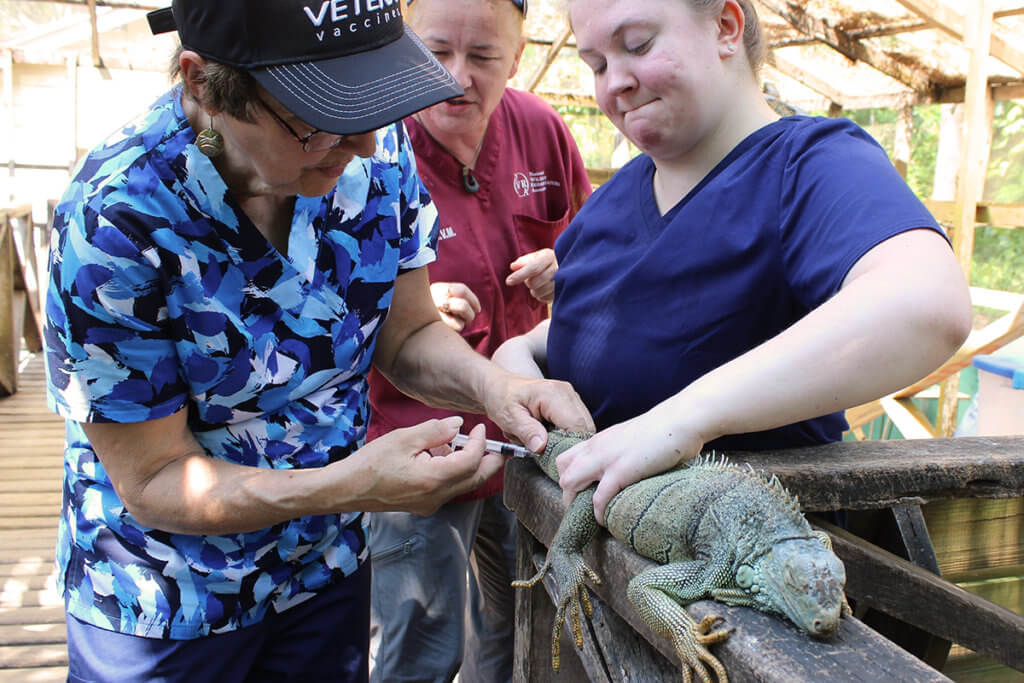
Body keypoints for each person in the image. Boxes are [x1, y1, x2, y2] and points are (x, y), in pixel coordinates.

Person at [41, 1, 594, 681]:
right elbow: (156, 477)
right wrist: (352, 485)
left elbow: (409, 333)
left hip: (324, 567)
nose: (363, 145)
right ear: (202, 83)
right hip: (165, 596)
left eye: (372, 104)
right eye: (317, 117)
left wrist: (496, 386)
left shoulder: (374, 148)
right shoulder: (116, 219)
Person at [492, 0, 973, 527]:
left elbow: (928, 303)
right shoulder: (609, 203)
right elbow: (572, 335)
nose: (615, 84)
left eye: (638, 46)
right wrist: (517, 364)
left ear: (725, 26)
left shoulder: (807, 165)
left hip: (752, 576)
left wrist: (682, 419)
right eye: (597, 65)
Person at [365, 0, 592, 680]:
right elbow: (318, 295)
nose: (455, 77)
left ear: (517, 57)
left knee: (520, 618)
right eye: (436, 52)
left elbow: (598, 246)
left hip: (527, 443)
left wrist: (570, 267)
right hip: (414, 443)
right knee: (423, 640)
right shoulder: (368, 144)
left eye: (483, 57)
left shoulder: (543, 132)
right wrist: (408, 305)